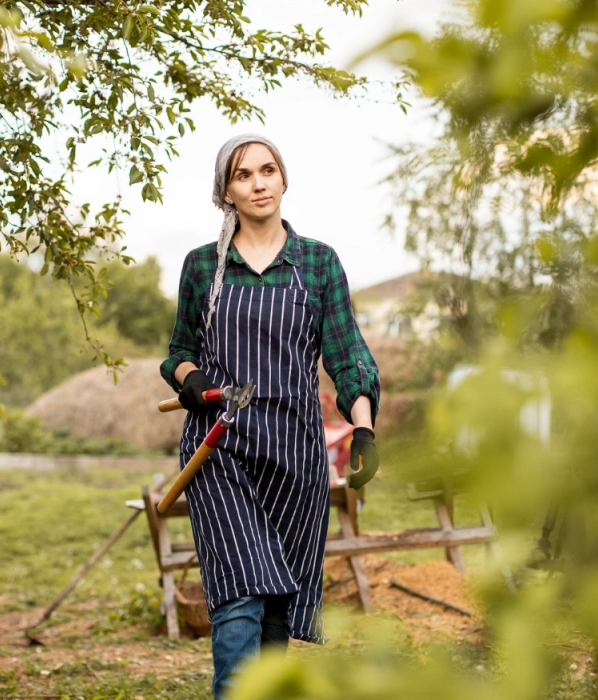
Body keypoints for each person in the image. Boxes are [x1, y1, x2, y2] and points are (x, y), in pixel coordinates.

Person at [160, 134, 381, 699]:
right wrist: (193, 383)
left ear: (283, 179)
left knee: (279, 603)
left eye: (267, 170)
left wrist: (363, 428)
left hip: (296, 453)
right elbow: (179, 354)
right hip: (220, 449)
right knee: (240, 594)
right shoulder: (203, 267)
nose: (258, 183)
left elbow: (347, 353)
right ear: (226, 192)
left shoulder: (317, 263)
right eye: (242, 175)